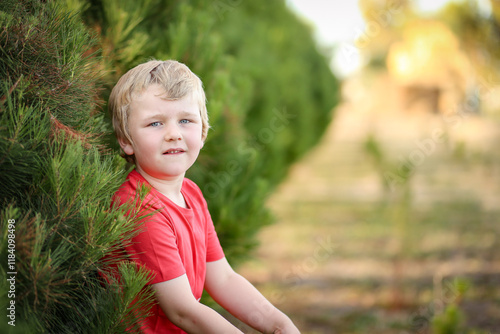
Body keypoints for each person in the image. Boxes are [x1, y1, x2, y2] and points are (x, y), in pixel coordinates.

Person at [108, 59, 300, 334]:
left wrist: (279, 324)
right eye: (155, 124)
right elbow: (183, 311)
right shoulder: (139, 207)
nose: (173, 134)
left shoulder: (191, 193)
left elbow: (222, 278)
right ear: (126, 140)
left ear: (203, 131)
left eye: (185, 120)